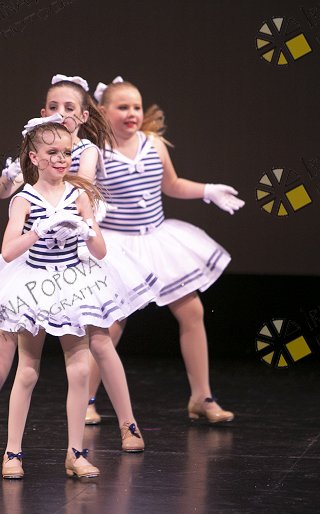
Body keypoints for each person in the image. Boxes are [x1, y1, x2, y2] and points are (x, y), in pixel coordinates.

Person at [0, 75, 150, 454]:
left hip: (78, 249)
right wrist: (13, 174)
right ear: (43, 111)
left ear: (83, 116)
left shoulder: (82, 151)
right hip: (40, 254)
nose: (61, 113)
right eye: (53, 107)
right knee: (6, 336)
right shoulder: (39, 148)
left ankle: (128, 423)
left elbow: (81, 187)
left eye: (69, 108)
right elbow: (5, 193)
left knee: (99, 339)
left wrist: (40, 169)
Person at [85, 77, 244, 425]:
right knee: (111, 325)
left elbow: (171, 184)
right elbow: (85, 193)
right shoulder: (96, 151)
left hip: (157, 241)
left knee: (192, 312)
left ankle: (202, 397)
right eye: (123, 107)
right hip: (118, 246)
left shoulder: (153, 143)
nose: (132, 113)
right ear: (103, 111)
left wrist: (207, 191)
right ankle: (86, 401)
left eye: (137, 107)